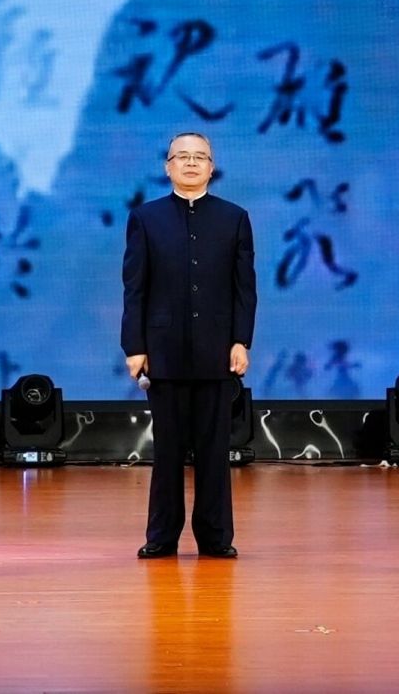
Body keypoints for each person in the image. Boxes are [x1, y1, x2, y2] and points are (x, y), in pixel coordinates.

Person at [121, 131, 257, 559]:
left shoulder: (234, 218)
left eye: (200, 157)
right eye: (182, 157)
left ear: (212, 167)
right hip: (163, 350)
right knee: (168, 452)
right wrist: (134, 346)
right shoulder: (146, 218)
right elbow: (135, 288)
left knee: (215, 452)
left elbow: (244, 289)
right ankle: (161, 536)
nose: (192, 163)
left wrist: (241, 340)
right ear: (168, 167)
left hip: (217, 350)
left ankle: (216, 538)